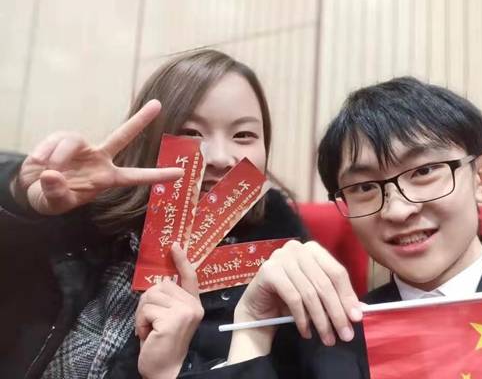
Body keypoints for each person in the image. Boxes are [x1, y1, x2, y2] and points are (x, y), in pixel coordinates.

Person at [186, 77, 482, 378]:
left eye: (424, 171)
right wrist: (251, 328)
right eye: (364, 187)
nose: (398, 209)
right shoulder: (329, 340)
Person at [0, 49, 307, 379]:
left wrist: (175, 371)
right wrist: (20, 200)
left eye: (244, 135)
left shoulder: (282, 270)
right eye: (192, 132)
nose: (220, 157)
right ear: (147, 139)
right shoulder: (83, 220)